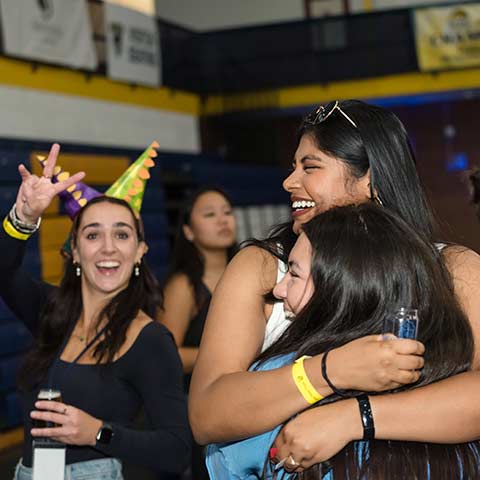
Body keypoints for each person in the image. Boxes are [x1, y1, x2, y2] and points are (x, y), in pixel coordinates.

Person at [189, 100, 480, 467]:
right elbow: (206, 415)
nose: (289, 181)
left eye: (310, 167)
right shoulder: (265, 268)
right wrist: (329, 372)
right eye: (293, 166)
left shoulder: (452, 269)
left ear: (370, 178)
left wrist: (354, 418)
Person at [206, 203, 480, 479]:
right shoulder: (447, 378)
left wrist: (349, 413)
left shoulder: (278, 378)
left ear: (342, 286)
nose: (278, 289)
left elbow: (223, 452)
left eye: (294, 273)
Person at [1, 144, 190, 480]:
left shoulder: (149, 340)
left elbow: (176, 450)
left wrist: (97, 433)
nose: (107, 247)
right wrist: (24, 217)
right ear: (74, 251)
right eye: (92, 235)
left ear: (139, 252)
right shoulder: (52, 313)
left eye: (121, 234)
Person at [158, 187, 236, 480]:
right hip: (196, 409)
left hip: (245, 399)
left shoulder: (253, 272)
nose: (222, 220)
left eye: (227, 212)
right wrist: (230, 354)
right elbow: (165, 357)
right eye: (209, 214)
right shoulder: (183, 286)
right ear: (189, 231)